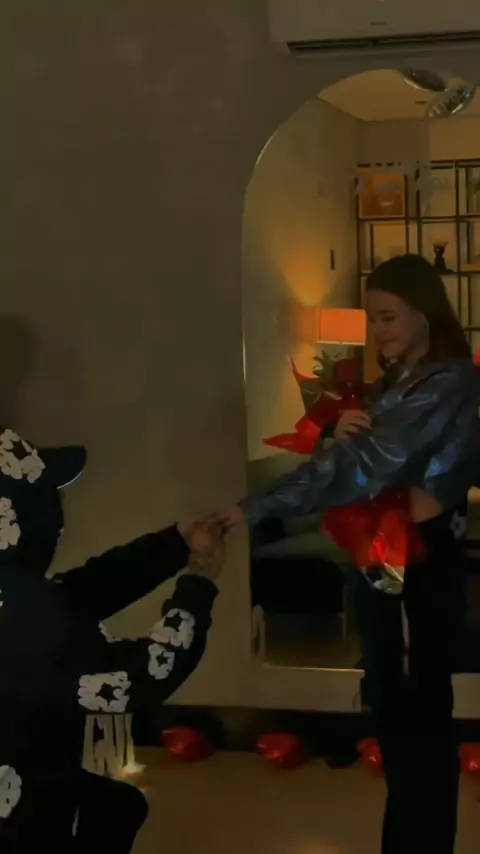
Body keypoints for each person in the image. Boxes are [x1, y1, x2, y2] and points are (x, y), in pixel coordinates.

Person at [216, 254, 480, 854]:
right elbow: (358, 457)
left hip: (418, 559)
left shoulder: (446, 380)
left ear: (424, 311)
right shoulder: (397, 381)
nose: (377, 331)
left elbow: (367, 465)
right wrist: (336, 431)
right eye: (371, 320)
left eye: (388, 317)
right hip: (383, 553)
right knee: (392, 708)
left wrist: (253, 506)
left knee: (416, 715)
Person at [0, 426, 224, 852]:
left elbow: (83, 590)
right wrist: (198, 585)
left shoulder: (22, 598)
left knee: (116, 805)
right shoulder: (36, 620)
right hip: (24, 825)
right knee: (111, 811)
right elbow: (145, 674)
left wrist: (174, 543)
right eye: (48, 493)